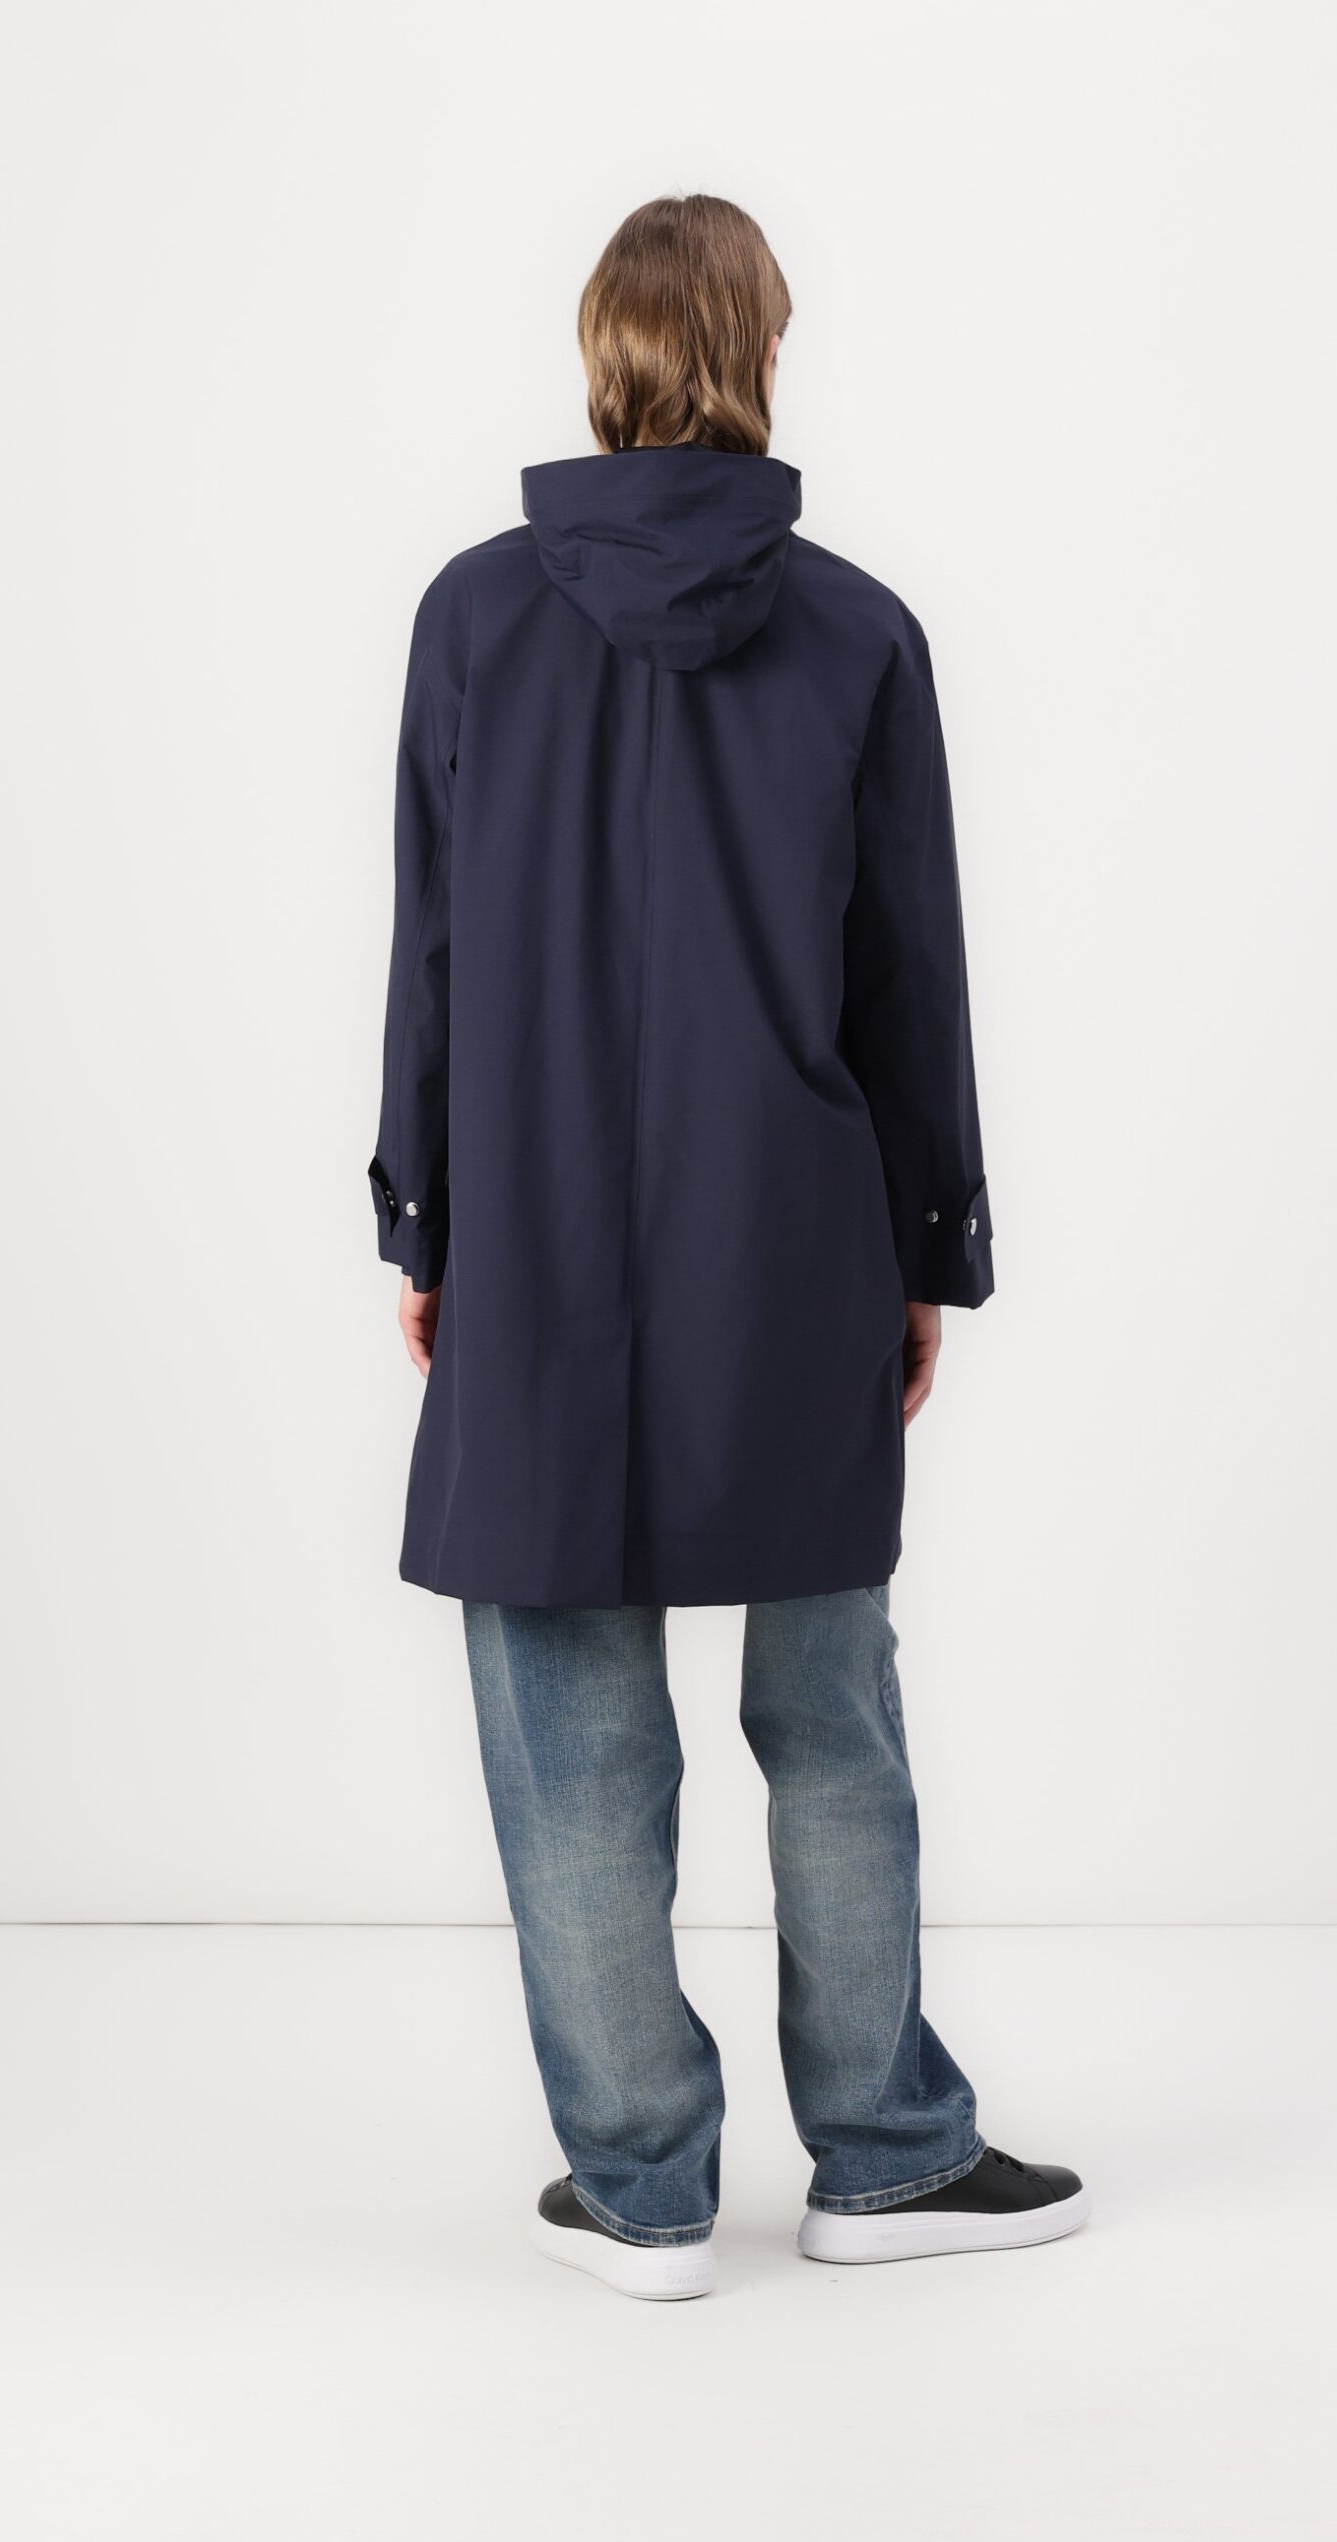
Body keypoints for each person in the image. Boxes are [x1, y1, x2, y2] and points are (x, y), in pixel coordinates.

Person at [369, 195, 1088, 2300]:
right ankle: (883, 2153)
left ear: (598, 353)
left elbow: (431, 953)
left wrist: (424, 1215)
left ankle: (641, 2187)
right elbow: (906, 974)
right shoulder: (856, 632)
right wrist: (926, 1247)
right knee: (832, 1703)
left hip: (534, 1234)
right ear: (761, 351)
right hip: (789, 1236)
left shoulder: (470, 617)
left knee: (565, 1713)